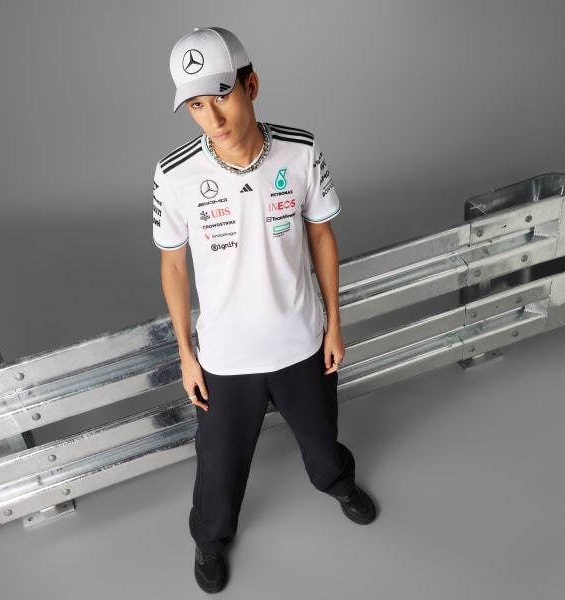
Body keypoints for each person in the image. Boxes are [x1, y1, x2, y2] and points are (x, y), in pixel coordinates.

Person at [153, 26, 378, 593]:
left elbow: (321, 234)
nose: (213, 118)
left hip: (301, 342)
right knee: (220, 466)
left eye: (222, 95)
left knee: (322, 442)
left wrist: (334, 324)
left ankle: (338, 483)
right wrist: (186, 355)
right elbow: (173, 265)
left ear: (251, 85)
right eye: (196, 106)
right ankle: (210, 541)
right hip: (225, 359)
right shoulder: (175, 175)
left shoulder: (301, 151)